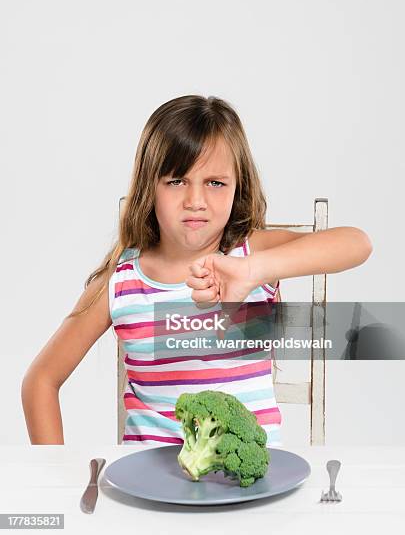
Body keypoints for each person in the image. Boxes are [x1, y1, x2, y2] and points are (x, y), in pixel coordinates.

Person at [21, 94, 373, 445]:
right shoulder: (121, 281)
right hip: (150, 489)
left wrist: (252, 270)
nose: (195, 201)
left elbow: (356, 244)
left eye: (215, 183)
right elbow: (41, 381)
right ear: (150, 187)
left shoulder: (251, 253)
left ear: (238, 187)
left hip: (252, 489)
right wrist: (55, 475)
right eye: (176, 181)